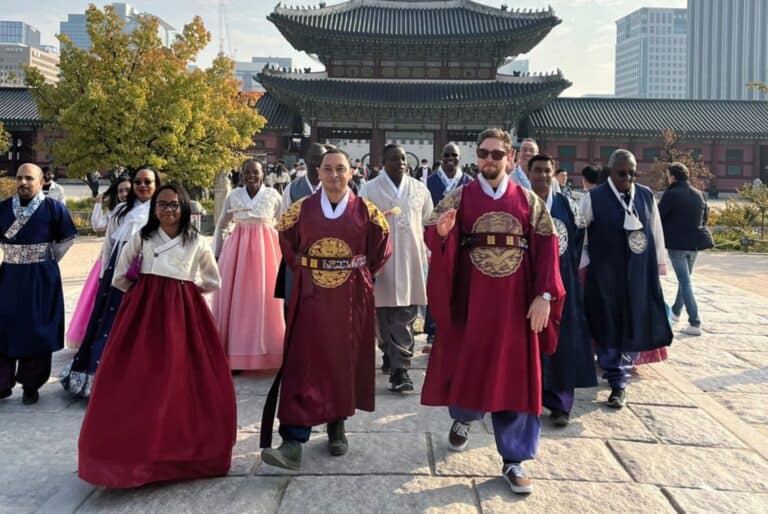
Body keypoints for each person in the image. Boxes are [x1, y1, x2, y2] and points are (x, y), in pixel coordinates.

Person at [422, 129, 565, 495]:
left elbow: (548, 249)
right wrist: (442, 234)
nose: (489, 160)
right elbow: (433, 235)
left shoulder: (530, 201)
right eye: (483, 153)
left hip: (516, 305)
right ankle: (464, 418)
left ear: (511, 157)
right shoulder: (459, 197)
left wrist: (545, 296)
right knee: (471, 365)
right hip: (473, 301)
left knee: (515, 377)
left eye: (496, 154)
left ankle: (514, 458)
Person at [78, 183, 236, 488]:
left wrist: (187, 292)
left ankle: (179, 455)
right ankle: (133, 456)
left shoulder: (197, 242)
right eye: (162, 204)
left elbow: (213, 279)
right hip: (144, 315)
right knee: (140, 378)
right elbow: (120, 275)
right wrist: (141, 297)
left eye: (174, 204)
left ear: (184, 207)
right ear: (154, 208)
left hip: (184, 315)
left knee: (182, 379)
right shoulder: (143, 237)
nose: (167, 210)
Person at [260, 147, 391, 470]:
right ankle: (292, 440)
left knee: (341, 360)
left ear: (352, 173)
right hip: (311, 296)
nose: (334, 175)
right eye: (328, 169)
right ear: (318, 172)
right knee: (302, 362)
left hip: (350, 298)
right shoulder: (300, 210)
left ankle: (337, 423)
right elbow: (287, 243)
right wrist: (306, 270)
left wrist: (357, 272)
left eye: (341, 169)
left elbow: (381, 248)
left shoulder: (366, 211)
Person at [581, 149, 672, 409]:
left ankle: (625, 367)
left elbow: (655, 232)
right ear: (610, 172)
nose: (628, 177)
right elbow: (582, 237)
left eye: (633, 172)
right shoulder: (593, 198)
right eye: (623, 173)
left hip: (638, 273)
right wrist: (589, 265)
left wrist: (656, 267)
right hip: (605, 274)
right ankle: (616, 378)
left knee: (635, 319)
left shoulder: (645, 196)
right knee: (609, 322)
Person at [61, 167, 160, 397]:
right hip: (116, 271)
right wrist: (104, 274)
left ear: (156, 185)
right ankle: (96, 377)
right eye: (138, 182)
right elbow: (108, 244)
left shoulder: (160, 210)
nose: (143, 186)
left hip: (145, 273)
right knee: (107, 322)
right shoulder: (121, 210)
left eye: (148, 181)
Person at [0, 163, 77, 404]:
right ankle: (1, 383)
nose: (23, 182)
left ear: (41, 181)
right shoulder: (3, 208)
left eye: (29, 178)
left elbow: (65, 241)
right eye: (20, 177)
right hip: (9, 276)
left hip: (41, 277)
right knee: (3, 326)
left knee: (38, 328)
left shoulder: (54, 208)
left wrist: (43, 259)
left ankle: (31, 385)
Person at [528, 155, 597, 426]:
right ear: (528, 172)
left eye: (547, 170)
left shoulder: (569, 205)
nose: (543, 175)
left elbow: (579, 243)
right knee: (530, 342)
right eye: (537, 170)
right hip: (528, 285)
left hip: (562, 283)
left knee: (563, 341)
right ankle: (530, 398)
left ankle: (560, 405)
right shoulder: (520, 203)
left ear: (555, 172)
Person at [361, 144, 433, 391]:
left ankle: (401, 369)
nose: (400, 163)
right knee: (382, 316)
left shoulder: (419, 189)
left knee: (405, 314)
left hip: (411, 259)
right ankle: (389, 354)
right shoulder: (369, 189)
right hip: (383, 261)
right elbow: (362, 223)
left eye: (403, 159)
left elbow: (427, 220)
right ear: (383, 162)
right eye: (393, 159)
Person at [213, 160, 285, 370]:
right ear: (242, 174)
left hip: (267, 250)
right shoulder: (234, 195)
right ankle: (235, 355)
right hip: (238, 250)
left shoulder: (273, 195)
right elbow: (222, 224)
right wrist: (217, 252)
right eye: (247, 172)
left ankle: (268, 352)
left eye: (255, 172)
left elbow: (284, 223)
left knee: (265, 298)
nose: (251, 176)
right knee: (237, 299)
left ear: (263, 173)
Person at [66, 175, 132, 349]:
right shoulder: (116, 211)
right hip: (109, 261)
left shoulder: (141, 211)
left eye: (127, 190)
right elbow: (98, 226)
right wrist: (97, 204)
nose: (124, 194)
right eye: (121, 191)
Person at [423, 143, 472, 352]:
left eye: (454, 155)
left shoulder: (469, 183)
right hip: (437, 242)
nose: (450, 158)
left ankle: (458, 327)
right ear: (440, 157)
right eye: (446, 155)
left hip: (461, 244)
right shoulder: (428, 182)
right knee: (437, 284)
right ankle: (433, 329)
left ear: (460, 158)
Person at [658, 162, 714, 336]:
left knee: (685, 281)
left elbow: (658, 217)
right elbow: (705, 218)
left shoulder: (671, 194)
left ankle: (695, 321)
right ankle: (675, 312)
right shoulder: (699, 195)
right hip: (694, 243)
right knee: (686, 280)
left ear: (673, 177)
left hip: (677, 244)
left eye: (668, 175)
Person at [275, 143, 328, 308]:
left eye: (322, 158)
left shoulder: (335, 187)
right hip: (299, 253)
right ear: (306, 160)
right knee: (295, 302)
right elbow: (284, 223)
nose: (318, 162)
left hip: (326, 254)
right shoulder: (293, 188)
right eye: (314, 158)